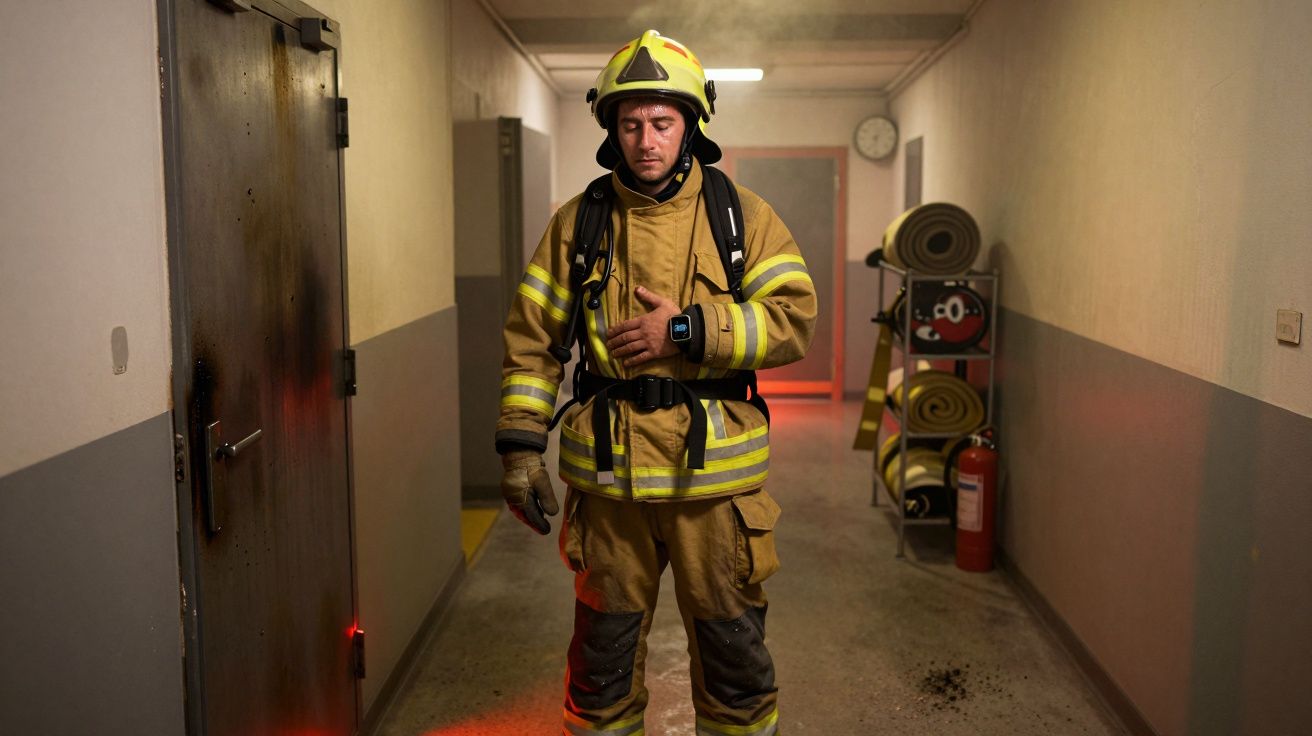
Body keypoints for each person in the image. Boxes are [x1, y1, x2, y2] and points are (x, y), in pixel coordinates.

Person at [496, 29, 817, 736]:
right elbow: (533, 340)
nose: (646, 139)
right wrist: (521, 450)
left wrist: (690, 331)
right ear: (611, 128)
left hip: (715, 494)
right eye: (631, 122)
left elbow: (794, 320)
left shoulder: (743, 219)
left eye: (662, 123)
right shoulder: (577, 224)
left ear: (691, 124)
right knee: (600, 668)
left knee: (735, 663)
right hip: (610, 491)